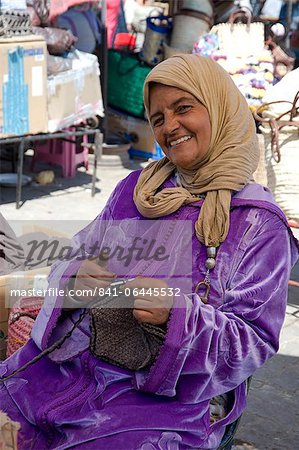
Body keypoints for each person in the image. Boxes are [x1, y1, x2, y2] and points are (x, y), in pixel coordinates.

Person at [1, 55, 298, 450]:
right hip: (65, 370)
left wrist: (177, 317)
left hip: (162, 402)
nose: (169, 127)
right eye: (157, 118)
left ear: (220, 108)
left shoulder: (258, 223)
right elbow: (68, 264)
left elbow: (253, 341)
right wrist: (76, 279)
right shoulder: (134, 190)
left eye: (183, 108)